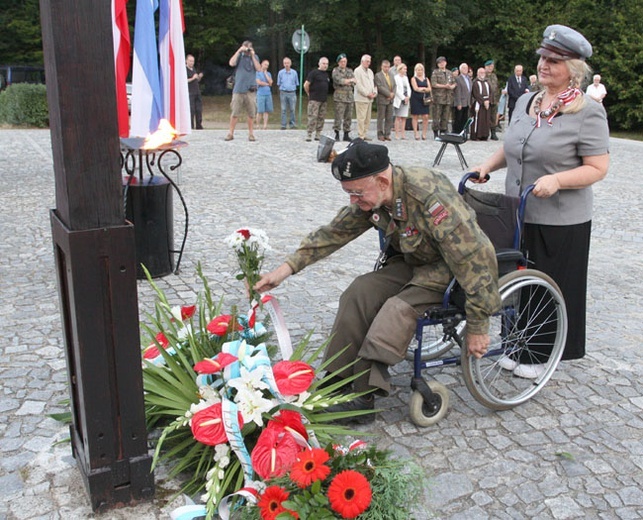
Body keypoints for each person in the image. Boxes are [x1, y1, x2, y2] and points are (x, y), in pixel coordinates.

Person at [255, 139, 501, 420]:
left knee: (396, 310)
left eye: (356, 193)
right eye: (349, 193)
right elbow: (333, 233)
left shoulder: (427, 194)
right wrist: (285, 270)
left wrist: (479, 325)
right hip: (413, 261)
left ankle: (363, 396)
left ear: (382, 180)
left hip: (449, 268)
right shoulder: (374, 196)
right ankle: (337, 379)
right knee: (359, 292)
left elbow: (475, 256)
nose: (353, 201)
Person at [473, 24, 610, 379]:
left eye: (554, 60)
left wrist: (559, 179)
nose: (543, 65)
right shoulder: (526, 100)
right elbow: (514, 145)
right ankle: (516, 344)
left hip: (561, 217)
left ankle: (540, 354)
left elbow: (598, 167)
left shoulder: (587, 111)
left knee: (550, 284)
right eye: (542, 58)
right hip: (518, 209)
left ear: (573, 69)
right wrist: (487, 165)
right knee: (518, 281)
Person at [226, 40, 261, 142]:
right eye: (245, 47)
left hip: (250, 90)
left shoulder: (254, 57)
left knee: (251, 113)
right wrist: (239, 50)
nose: (247, 50)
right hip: (238, 89)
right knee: (235, 112)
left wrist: (252, 56)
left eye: (249, 48)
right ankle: (230, 133)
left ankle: (251, 134)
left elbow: (258, 68)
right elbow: (231, 63)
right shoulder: (239, 56)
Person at [304, 57, 330, 141]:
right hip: (314, 99)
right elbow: (306, 85)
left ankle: (318, 133)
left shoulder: (326, 75)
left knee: (321, 117)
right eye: (323, 63)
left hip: (323, 100)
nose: (325, 65)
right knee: (312, 117)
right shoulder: (314, 73)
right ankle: (309, 133)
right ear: (319, 64)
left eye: (326, 64)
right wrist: (309, 94)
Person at [332, 53, 356, 142]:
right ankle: (337, 134)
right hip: (340, 97)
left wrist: (347, 81)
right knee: (338, 116)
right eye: (341, 62)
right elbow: (339, 81)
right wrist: (348, 80)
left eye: (345, 61)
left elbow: (354, 82)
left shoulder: (350, 71)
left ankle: (346, 134)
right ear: (338, 62)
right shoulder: (336, 71)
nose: (343, 63)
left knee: (348, 116)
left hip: (349, 97)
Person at [431, 56, 456, 139]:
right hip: (439, 97)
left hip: (448, 97)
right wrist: (444, 86)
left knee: (446, 116)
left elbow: (454, 83)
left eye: (443, 62)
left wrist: (452, 86)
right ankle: (436, 131)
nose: (442, 64)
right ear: (438, 64)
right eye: (440, 63)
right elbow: (434, 84)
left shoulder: (449, 73)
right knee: (436, 115)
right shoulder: (435, 72)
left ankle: (443, 130)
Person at [353, 54, 377, 140]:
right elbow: (358, 85)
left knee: (368, 118)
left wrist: (374, 92)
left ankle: (365, 133)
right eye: (367, 61)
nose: (369, 63)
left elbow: (373, 84)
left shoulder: (370, 71)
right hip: (361, 98)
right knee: (361, 118)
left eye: (369, 61)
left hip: (370, 99)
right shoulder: (357, 71)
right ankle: (360, 135)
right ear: (362, 61)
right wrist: (367, 94)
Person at [374, 59, 396, 141]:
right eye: (385, 67)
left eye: (388, 67)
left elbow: (394, 86)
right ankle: (380, 134)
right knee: (381, 117)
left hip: (390, 100)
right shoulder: (378, 75)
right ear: (381, 67)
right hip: (382, 99)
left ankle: (387, 133)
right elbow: (379, 87)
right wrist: (388, 94)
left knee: (389, 118)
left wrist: (393, 94)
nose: (386, 68)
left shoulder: (391, 75)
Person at [410, 63, 431, 140]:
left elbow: (429, 88)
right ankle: (416, 133)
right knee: (415, 116)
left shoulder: (426, 79)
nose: (420, 71)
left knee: (425, 116)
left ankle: (424, 133)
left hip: (425, 99)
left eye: (421, 70)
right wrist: (424, 89)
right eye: (418, 70)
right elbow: (415, 88)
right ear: (415, 71)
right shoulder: (413, 78)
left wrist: (422, 89)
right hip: (415, 99)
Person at [470, 67, 491, 141]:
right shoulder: (475, 82)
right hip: (479, 104)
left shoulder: (487, 82)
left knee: (486, 119)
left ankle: (484, 135)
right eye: (481, 73)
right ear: (477, 74)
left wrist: (488, 101)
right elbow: (476, 94)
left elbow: (490, 93)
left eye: (483, 73)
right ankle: (476, 135)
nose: (482, 74)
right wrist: (483, 101)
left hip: (487, 104)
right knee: (478, 119)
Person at [278, 57, 299, 129]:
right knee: (283, 109)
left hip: (292, 93)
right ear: (283, 64)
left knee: (292, 109)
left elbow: (296, 83)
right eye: (285, 63)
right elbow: (279, 83)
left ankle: (292, 124)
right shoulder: (280, 73)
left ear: (290, 64)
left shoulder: (294, 73)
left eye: (288, 63)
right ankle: (283, 125)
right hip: (283, 92)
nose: (286, 64)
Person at [393, 63, 411, 140]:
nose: (405, 70)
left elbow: (409, 88)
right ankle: (397, 134)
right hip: (399, 99)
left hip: (406, 99)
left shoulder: (406, 78)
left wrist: (408, 97)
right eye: (404, 69)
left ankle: (403, 134)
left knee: (404, 117)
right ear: (400, 69)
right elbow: (396, 90)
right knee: (398, 117)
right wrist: (403, 97)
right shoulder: (396, 78)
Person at [453, 63, 471, 134]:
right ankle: (456, 132)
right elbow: (457, 92)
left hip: (467, 102)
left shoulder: (469, 79)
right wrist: (458, 103)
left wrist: (470, 102)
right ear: (460, 69)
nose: (465, 69)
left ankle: (463, 132)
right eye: (463, 68)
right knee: (458, 118)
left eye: (466, 68)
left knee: (465, 118)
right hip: (460, 102)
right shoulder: (458, 78)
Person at [186, 54, 203, 130]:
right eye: (190, 61)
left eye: (193, 61)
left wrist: (198, 77)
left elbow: (196, 80)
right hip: (190, 92)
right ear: (186, 61)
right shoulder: (184, 70)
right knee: (191, 109)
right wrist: (193, 78)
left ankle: (199, 125)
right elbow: (184, 81)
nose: (191, 63)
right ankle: (190, 125)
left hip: (197, 91)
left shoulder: (194, 69)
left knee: (199, 109)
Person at [255, 59, 273, 130]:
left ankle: (265, 125)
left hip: (268, 93)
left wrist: (265, 74)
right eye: (265, 64)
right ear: (262, 64)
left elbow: (271, 83)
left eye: (267, 65)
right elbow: (259, 82)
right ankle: (257, 125)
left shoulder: (268, 74)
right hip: (260, 93)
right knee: (260, 111)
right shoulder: (258, 73)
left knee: (266, 111)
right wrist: (266, 84)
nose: (266, 66)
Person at [484, 60, 499, 140]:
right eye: (489, 67)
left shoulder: (494, 76)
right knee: (486, 117)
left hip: (494, 99)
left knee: (493, 117)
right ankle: (485, 132)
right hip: (486, 100)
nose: (490, 68)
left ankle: (493, 132)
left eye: (492, 67)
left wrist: (497, 99)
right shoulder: (483, 75)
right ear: (485, 67)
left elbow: (497, 88)